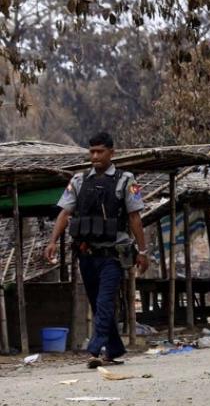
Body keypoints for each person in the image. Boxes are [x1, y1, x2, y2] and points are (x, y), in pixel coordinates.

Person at [44, 132, 148, 369]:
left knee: (104, 302)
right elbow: (64, 213)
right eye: (91, 152)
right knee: (96, 300)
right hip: (86, 254)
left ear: (112, 152)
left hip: (112, 255)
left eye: (100, 151)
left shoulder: (126, 180)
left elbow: (134, 217)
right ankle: (114, 350)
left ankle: (95, 349)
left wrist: (143, 251)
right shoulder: (79, 181)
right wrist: (52, 241)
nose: (95, 156)